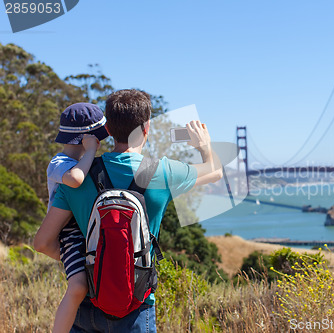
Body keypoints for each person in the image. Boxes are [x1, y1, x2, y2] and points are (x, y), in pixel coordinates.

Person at [34, 89, 222, 332]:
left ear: (109, 129)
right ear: (146, 129)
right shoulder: (162, 172)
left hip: (86, 306)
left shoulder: (78, 177)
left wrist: (81, 261)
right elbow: (215, 171)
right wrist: (205, 146)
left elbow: (42, 243)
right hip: (136, 307)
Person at [41, 103, 109, 333]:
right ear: (86, 139)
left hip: (85, 229)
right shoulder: (58, 163)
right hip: (69, 233)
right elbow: (75, 179)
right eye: (97, 139)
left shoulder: (83, 162)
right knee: (78, 286)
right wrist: (89, 151)